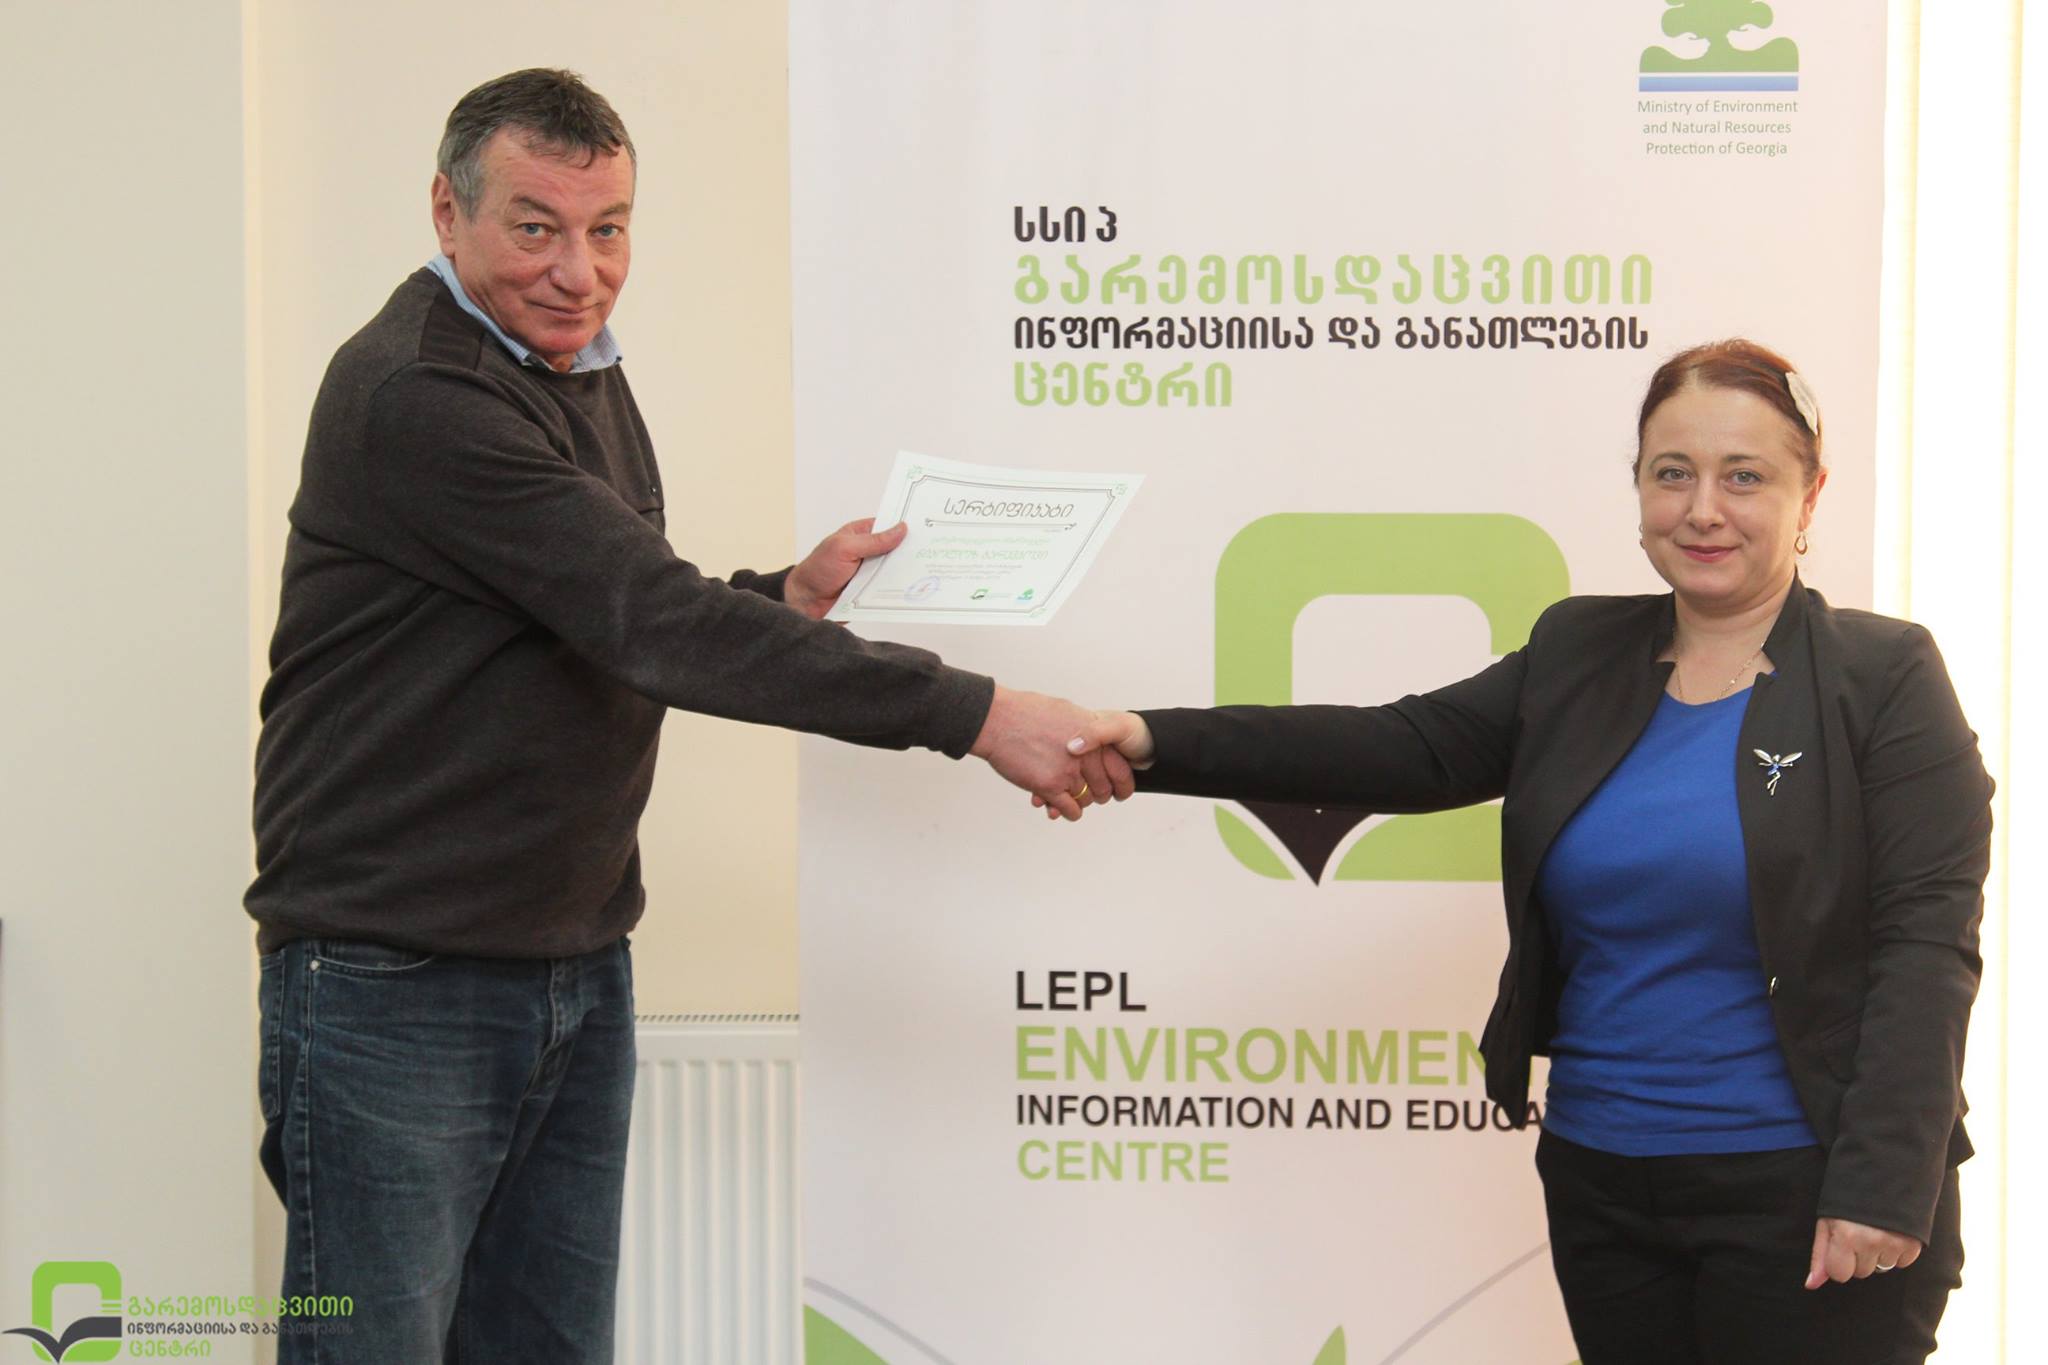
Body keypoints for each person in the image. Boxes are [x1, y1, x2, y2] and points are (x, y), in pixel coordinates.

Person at [246, 68, 1118, 1363]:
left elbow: (595, 610)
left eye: (609, 229)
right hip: (397, 980)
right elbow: (648, 617)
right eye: (535, 227)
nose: (580, 271)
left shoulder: (570, 364)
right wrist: (980, 714)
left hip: (570, 959)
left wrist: (781, 597)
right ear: (445, 211)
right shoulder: (420, 394)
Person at [1063, 340, 1990, 1364]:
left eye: (1744, 477)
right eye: (1671, 473)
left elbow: (1925, 945)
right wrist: (1147, 741)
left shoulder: (1883, 677)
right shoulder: (1576, 652)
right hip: (1603, 1179)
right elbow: (1399, 746)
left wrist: (1881, 1186)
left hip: (1805, 1188)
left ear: (1808, 495)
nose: (1701, 510)